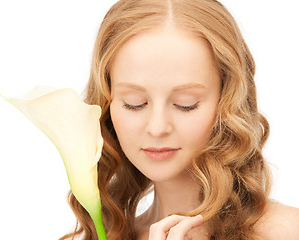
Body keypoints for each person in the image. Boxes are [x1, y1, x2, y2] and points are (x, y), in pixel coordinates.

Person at [60, 0, 299, 239]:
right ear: (107, 102)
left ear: (227, 99)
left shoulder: (286, 231)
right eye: (135, 103)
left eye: (186, 104)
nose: (157, 128)